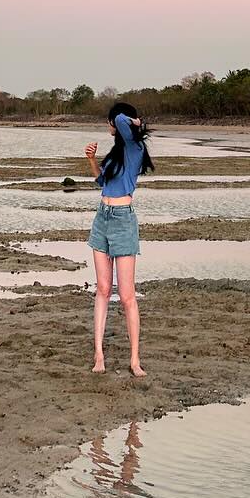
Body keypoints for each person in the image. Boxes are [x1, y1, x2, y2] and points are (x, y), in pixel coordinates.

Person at [83, 101, 153, 376]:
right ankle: (98, 355)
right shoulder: (117, 153)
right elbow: (102, 182)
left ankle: (134, 360)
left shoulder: (135, 149)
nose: (109, 126)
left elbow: (123, 118)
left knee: (126, 295)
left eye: (109, 122)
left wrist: (135, 122)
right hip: (102, 217)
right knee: (102, 289)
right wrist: (91, 160)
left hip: (123, 220)